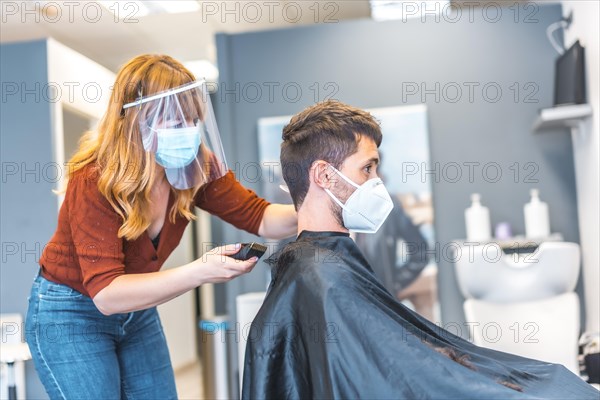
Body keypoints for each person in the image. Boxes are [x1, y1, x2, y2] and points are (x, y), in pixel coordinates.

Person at [242, 100, 597, 399]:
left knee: (549, 379)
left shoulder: (311, 268)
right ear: (324, 176)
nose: (376, 182)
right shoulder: (323, 277)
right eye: (367, 168)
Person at [25, 54, 297, 399]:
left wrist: (322, 205)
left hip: (136, 313)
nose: (187, 133)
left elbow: (259, 217)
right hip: (72, 315)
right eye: (174, 123)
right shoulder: (94, 179)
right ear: (135, 121)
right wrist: (201, 271)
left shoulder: (198, 166)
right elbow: (107, 295)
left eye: (192, 120)